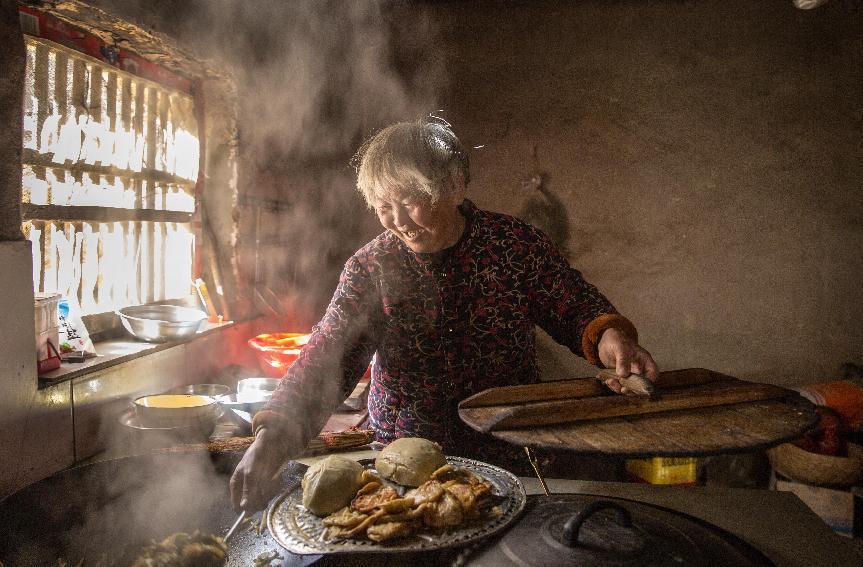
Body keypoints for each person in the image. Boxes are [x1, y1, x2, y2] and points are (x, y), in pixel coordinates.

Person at [230, 119, 659, 511]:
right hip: (404, 462)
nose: (398, 220)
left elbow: (574, 304)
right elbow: (327, 357)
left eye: (411, 200)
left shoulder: (515, 245)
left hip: (508, 447)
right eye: (383, 205)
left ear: (455, 186)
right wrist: (273, 436)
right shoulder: (371, 267)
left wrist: (609, 337)